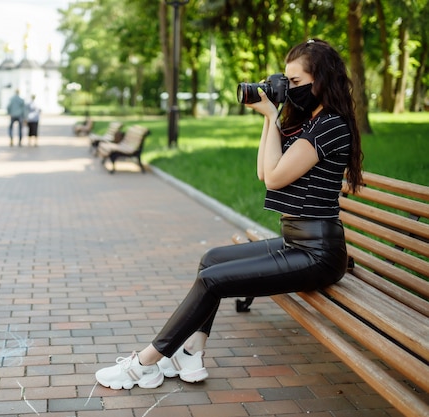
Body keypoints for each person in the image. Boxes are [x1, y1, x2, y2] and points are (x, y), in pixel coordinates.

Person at [95, 38, 364, 390]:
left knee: (214, 281)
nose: (290, 89)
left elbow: (275, 178)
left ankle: (145, 362)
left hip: (318, 254)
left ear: (323, 81)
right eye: (288, 81)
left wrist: (272, 117)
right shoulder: (306, 123)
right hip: (295, 241)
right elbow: (264, 172)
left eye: (297, 83)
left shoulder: (329, 126)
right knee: (212, 259)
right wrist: (272, 120)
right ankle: (192, 352)